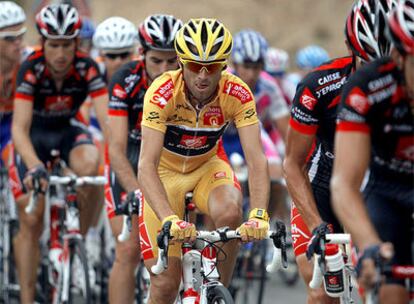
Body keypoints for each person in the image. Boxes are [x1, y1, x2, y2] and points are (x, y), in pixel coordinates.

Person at [137, 18, 270, 304]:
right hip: (164, 175)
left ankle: (217, 289)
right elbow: (146, 165)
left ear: (224, 66)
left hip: (207, 167)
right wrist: (169, 219)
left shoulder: (238, 93)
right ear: (181, 63)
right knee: (165, 287)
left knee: (232, 213)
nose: (203, 75)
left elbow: (257, 160)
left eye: (213, 67)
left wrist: (258, 213)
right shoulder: (161, 93)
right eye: (196, 66)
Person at [283, 0, 397, 302]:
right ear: (351, 49)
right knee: (321, 289)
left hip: (378, 188)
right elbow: (293, 165)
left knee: (388, 285)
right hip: (322, 189)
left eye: (389, 64)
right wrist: (316, 224)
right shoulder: (318, 86)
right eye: (369, 64)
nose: (377, 76)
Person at [9, 4, 108, 303]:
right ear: (43, 43)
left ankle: (84, 234)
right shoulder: (31, 68)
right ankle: (27, 296)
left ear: (77, 43)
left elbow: (106, 122)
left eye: (67, 45)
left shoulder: (87, 67)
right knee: (32, 218)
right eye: (54, 45)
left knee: (93, 164)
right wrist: (35, 165)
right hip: (33, 137)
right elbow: (19, 129)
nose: (61, 53)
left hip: (67, 131)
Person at [331, 1, 414, 303]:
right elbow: (344, 183)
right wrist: (369, 246)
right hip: (387, 191)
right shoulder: (367, 88)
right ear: (398, 57)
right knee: (393, 291)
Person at [105, 14, 182, 303]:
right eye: (156, 61)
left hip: (167, 160)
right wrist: (136, 191)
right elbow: (116, 147)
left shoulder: (187, 82)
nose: (164, 69)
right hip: (130, 156)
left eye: (171, 61)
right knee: (128, 248)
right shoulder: (125, 79)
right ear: (141, 54)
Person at [224, 29, 290, 221]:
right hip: (223, 137)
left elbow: (285, 128)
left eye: (257, 66)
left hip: (254, 135)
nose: (252, 73)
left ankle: (269, 226)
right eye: (246, 66)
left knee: (277, 171)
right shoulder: (222, 80)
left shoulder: (269, 85)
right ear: (235, 64)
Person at [0, 1, 26, 167]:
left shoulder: (29, 61)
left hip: (16, 122)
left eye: (21, 35)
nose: (18, 42)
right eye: (9, 38)